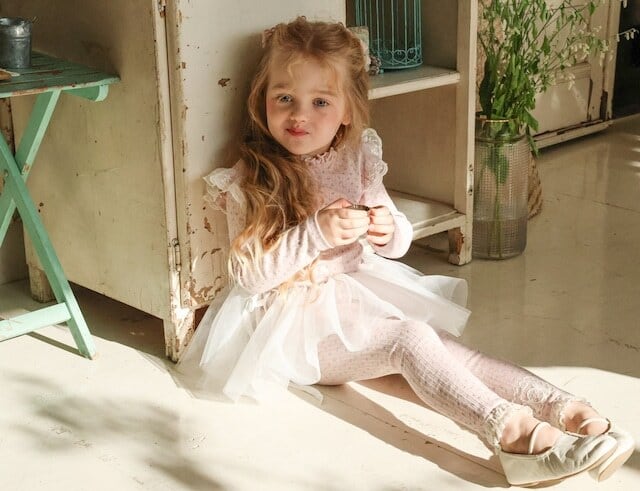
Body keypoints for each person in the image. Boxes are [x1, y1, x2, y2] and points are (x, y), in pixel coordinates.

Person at [177, 17, 633, 486]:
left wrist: (384, 227)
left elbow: (397, 240)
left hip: (358, 297)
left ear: (347, 111)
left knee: (446, 348)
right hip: (297, 327)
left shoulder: (357, 157)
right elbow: (251, 276)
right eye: (284, 98)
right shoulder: (253, 175)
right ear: (262, 100)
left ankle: (564, 408)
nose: (300, 115)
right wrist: (316, 232)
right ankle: (511, 434)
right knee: (410, 341)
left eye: (321, 102)